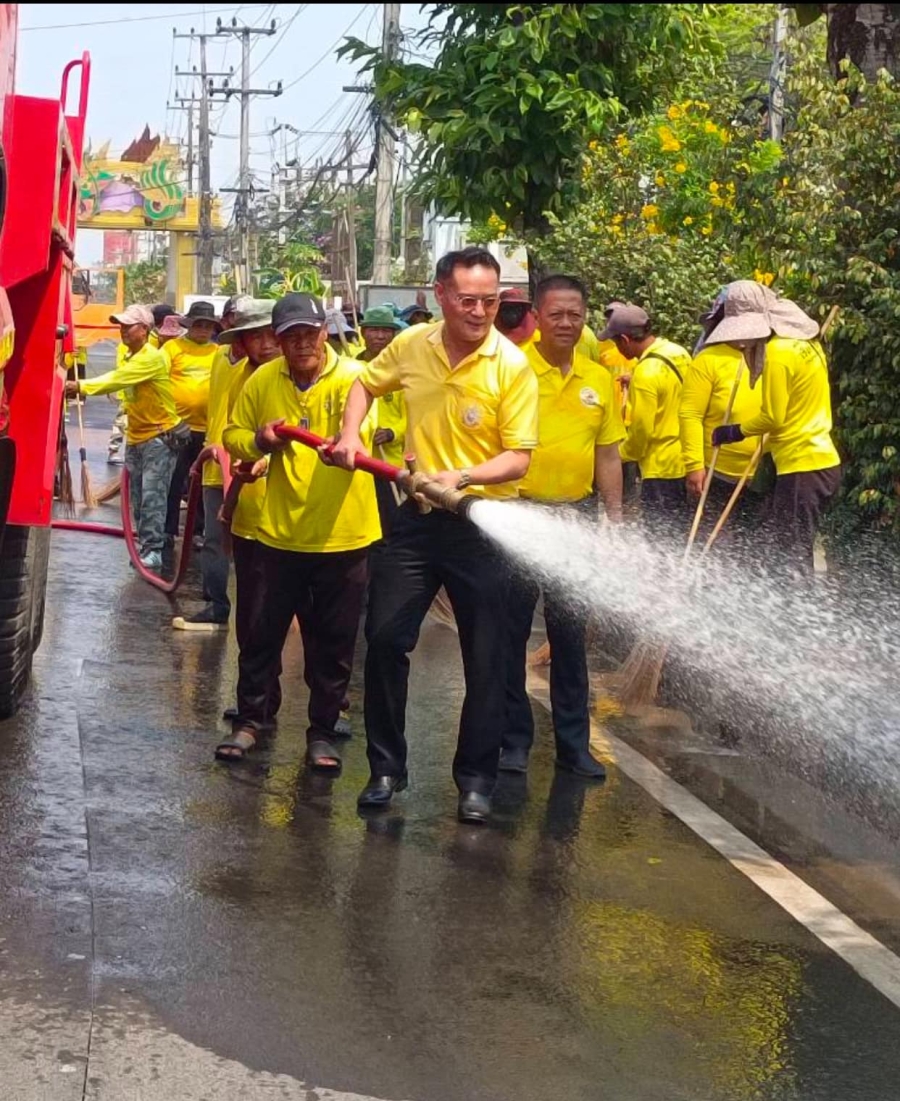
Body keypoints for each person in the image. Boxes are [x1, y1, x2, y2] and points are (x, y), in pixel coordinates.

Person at [331, 246, 539, 824]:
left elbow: (518, 459)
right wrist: (350, 436)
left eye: (490, 301)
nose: (479, 312)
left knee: (488, 658)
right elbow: (364, 387)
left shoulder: (512, 366)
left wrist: (463, 477)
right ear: (441, 296)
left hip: (482, 527)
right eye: (468, 300)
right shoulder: (411, 346)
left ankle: (476, 780)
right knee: (387, 638)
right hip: (416, 521)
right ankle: (386, 769)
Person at [218, 292, 380, 768]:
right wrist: (260, 440)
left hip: (343, 535)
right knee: (259, 633)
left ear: (325, 332)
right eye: (291, 336)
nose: (302, 343)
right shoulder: (264, 380)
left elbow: (383, 425)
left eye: (310, 333)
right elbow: (232, 434)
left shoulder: (356, 379)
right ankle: (250, 721)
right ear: (278, 339)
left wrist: (359, 440)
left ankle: (324, 731)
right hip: (276, 533)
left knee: (332, 642)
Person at [500, 275, 624, 780]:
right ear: (538, 317)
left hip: (575, 519)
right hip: (518, 514)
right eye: (557, 314)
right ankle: (512, 743)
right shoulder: (512, 370)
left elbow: (608, 454)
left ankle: (574, 747)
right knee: (506, 637)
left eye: (576, 314)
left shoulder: (598, 378)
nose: (567, 323)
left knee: (570, 640)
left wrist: (613, 520)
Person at [708, 280, 840, 577]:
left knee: (791, 561)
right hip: (822, 463)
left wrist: (732, 431)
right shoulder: (807, 344)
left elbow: (773, 417)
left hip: (801, 466)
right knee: (788, 551)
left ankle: (796, 621)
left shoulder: (778, 353)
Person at [172, 298, 275, 631]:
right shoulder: (221, 359)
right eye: (253, 334)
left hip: (259, 472)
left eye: (270, 335)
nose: (265, 344)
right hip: (219, 463)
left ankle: (268, 615)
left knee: (262, 545)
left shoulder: (277, 375)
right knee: (215, 539)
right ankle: (218, 604)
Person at [66, 305, 182, 572]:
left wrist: (80, 386)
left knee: (153, 497)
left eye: (128, 326)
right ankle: (146, 545)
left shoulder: (151, 358)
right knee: (139, 497)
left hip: (159, 437)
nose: (123, 331)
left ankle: (153, 550)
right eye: (121, 326)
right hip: (138, 435)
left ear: (144, 329)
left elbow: (118, 380)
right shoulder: (130, 356)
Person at [680, 315, 765, 553]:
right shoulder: (708, 360)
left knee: (752, 550)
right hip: (716, 473)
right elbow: (690, 414)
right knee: (714, 549)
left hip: (760, 473)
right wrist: (694, 465)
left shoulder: (772, 354)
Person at [604, 304, 691, 537]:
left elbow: (641, 431)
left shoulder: (646, 372)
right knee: (682, 536)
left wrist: (617, 456)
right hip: (688, 460)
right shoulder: (678, 352)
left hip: (660, 468)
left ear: (624, 339)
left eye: (615, 342)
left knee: (661, 541)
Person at [162, 300, 223, 540]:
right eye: (199, 325)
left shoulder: (218, 353)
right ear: (190, 325)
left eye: (208, 326)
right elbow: (160, 383)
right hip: (178, 426)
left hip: (208, 428)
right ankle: (168, 530)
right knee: (174, 480)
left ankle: (197, 531)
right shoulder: (172, 349)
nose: (203, 330)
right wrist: (169, 420)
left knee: (201, 482)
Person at [356, 306, 407, 536]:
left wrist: (391, 433)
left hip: (389, 465)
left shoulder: (402, 371)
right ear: (363, 332)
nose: (379, 336)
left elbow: (412, 417)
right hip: (356, 463)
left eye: (385, 331)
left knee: (390, 528)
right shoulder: (350, 367)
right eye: (374, 330)